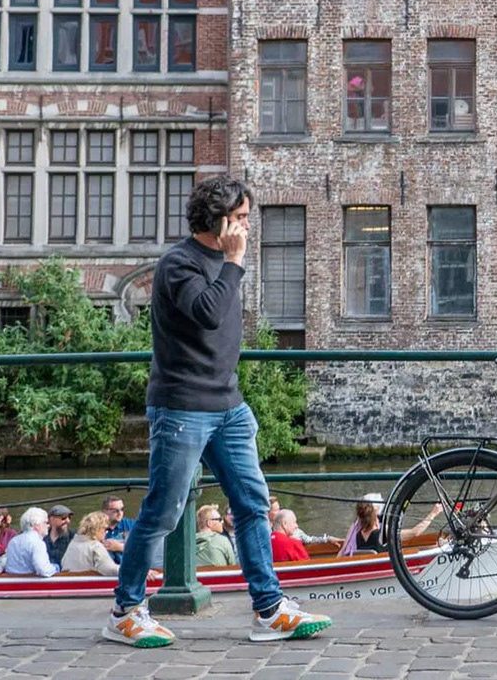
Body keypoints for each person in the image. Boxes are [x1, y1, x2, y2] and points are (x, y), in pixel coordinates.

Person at [103, 176, 331, 649]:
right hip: (182, 408)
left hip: (229, 406)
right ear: (218, 220)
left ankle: (269, 609)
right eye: (241, 218)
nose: (248, 226)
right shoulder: (179, 264)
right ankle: (125, 611)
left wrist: (231, 263)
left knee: (252, 504)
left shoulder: (223, 263)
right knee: (162, 513)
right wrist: (234, 261)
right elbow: (207, 312)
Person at [340, 494, 442, 556]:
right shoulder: (383, 532)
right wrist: (434, 513)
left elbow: (343, 550)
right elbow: (415, 532)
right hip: (383, 569)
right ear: (377, 514)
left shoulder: (355, 531)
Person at [3, 507, 59, 577]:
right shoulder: (38, 543)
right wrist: (55, 568)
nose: (48, 526)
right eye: (45, 523)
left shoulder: (13, 541)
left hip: (11, 581)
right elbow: (43, 570)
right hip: (31, 582)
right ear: (36, 525)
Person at [62, 512, 120, 576]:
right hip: (88, 581)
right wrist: (126, 569)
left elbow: (63, 564)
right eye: (105, 529)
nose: (106, 532)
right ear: (97, 528)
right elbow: (109, 570)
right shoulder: (95, 546)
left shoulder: (72, 544)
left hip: (69, 580)